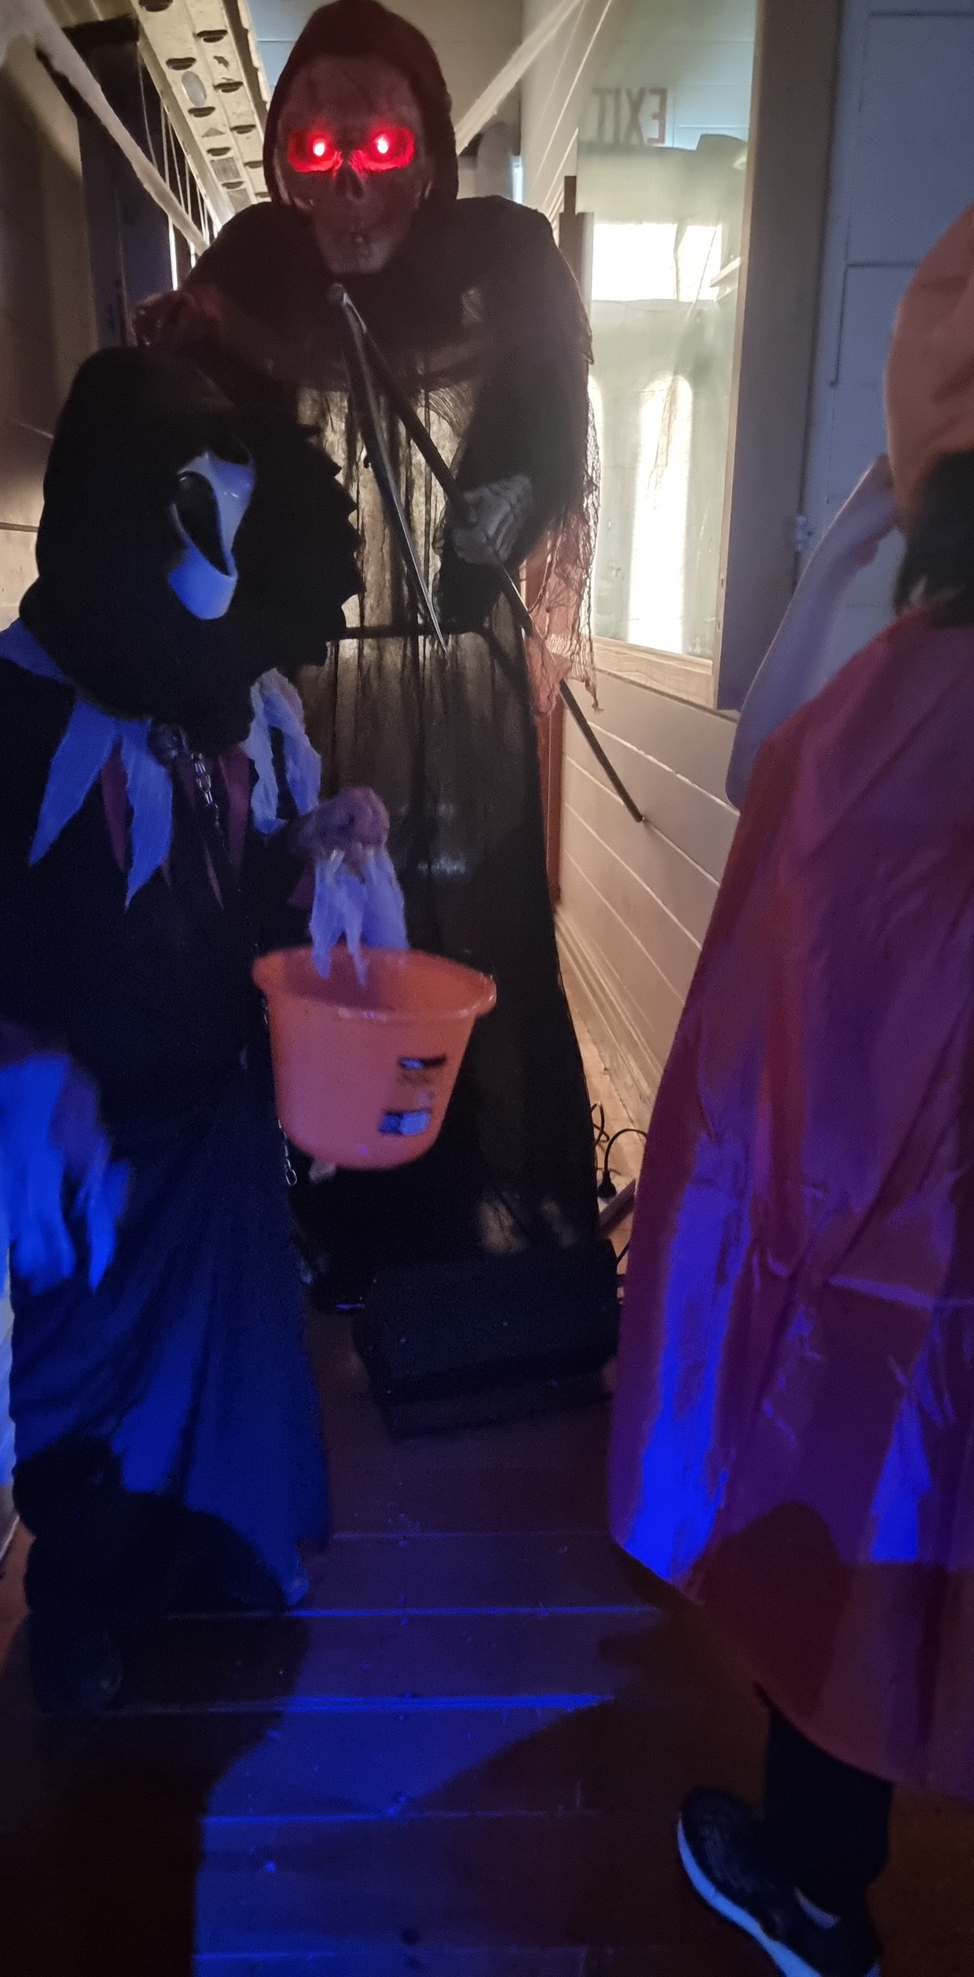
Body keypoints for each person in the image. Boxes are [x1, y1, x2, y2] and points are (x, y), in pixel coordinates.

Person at [608, 201, 974, 1977]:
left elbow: (790, 1071)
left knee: (867, 1472)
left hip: (900, 1257)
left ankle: (816, 1890)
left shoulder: (891, 703)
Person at [0, 347, 385, 1714]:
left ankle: (217, 1551)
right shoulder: (15, 701)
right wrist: (26, 1071)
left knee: (227, 1361)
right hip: (88, 1121)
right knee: (81, 1370)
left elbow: (237, 882)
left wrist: (317, 837)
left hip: (217, 1105)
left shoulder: (238, 699)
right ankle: (81, 1601)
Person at [137, 0, 607, 1303]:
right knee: (311, 922)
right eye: (317, 152)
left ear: (433, 148)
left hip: (455, 667)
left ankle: (480, 1206)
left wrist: (492, 529)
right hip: (304, 675)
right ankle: (320, 1203)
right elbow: (209, 452)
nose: (349, 187)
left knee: (472, 920)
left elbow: (548, 418)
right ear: (282, 158)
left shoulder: (501, 252)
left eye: (382, 150)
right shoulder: (256, 258)